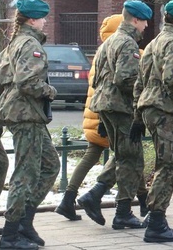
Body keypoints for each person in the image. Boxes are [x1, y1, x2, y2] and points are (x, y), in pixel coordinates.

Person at [56, 14, 149, 222]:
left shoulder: (103, 49)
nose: (146, 26)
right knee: (128, 156)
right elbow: (127, 80)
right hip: (116, 109)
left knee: (126, 154)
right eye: (143, 21)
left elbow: (98, 83)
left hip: (98, 110)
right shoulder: (127, 46)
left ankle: (139, 202)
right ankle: (116, 204)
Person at [132, 0, 173, 243]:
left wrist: (138, 116)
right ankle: (157, 222)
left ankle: (153, 215)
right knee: (172, 162)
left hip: (152, 108)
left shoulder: (154, 42)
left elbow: (141, 83)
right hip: (166, 110)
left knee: (169, 160)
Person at [0, 0, 60, 250]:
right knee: (26, 173)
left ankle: (24, 222)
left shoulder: (14, 43)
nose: (45, 22)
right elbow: (27, 83)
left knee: (50, 165)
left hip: (23, 113)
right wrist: (50, 91)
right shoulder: (29, 43)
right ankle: (10, 236)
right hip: (26, 114)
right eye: (43, 17)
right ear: (33, 19)